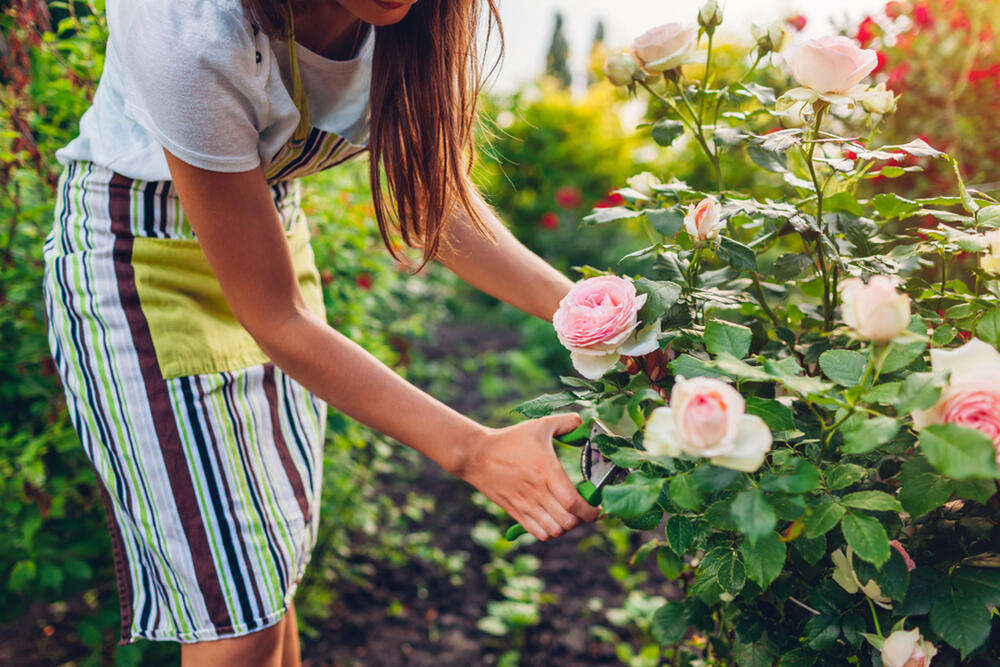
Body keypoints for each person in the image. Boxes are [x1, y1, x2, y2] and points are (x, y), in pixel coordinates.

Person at [41, 0, 604, 664]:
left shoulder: (432, 16)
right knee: (235, 618)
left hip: (270, 241)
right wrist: (474, 450)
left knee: (267, 579)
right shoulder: (187, 23)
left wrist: (596, 319)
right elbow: (275, 316)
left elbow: (434, 208)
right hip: (140, 261)